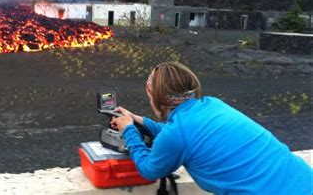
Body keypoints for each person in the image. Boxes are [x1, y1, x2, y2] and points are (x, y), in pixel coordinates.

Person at [111, 61, 313, 194]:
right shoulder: (213, 105)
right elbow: (184, 136)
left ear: (153, 95)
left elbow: (149, 169)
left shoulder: (177, 134)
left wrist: (129, 130)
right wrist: (138, 120)